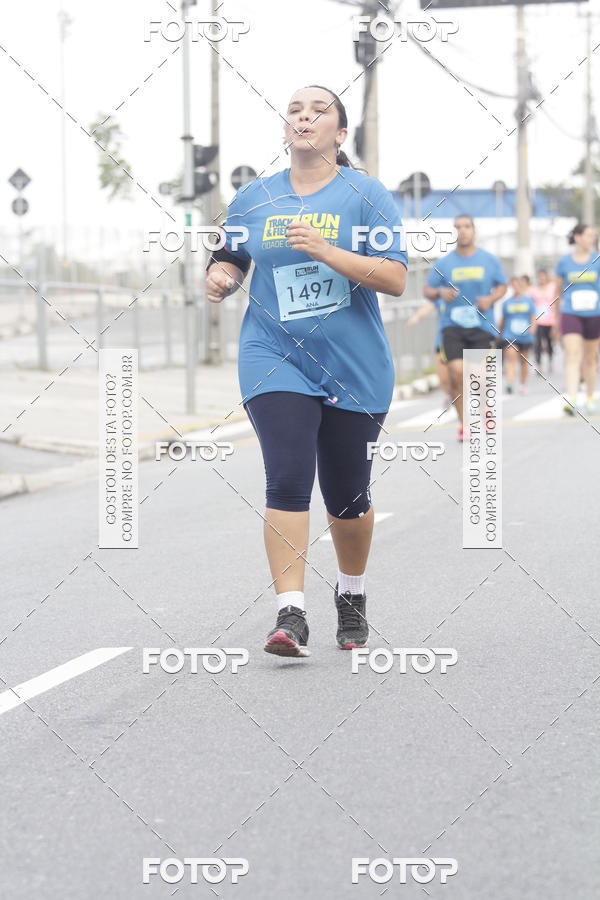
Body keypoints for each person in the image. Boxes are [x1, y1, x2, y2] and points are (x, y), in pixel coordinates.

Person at [205, 85, 407, 657]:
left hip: (353, 366)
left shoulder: (365, 196)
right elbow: (227, 260)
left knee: (347, 497)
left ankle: (351, 592)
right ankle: (290, 614)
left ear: (339, 135)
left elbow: (395, 278)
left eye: (318, 110)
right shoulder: (254, 199)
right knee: (288, 477)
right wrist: (219, 279)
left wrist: (328, 252)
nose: (303, 116)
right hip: (274, 354)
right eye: (294, 109)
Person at [424, 215, 507, 441]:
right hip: (452, 326)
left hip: (481, 325)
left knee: (479, 376)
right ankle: (465, 424)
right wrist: (440, 293)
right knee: (456, 374)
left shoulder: (489, 260)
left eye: (466, 226)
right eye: (457, 227)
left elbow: (502, 286)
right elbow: (427, 291)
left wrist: (491, 299)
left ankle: (483, 411)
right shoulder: (443, 264)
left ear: (474, 230)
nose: (462, 231)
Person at [555, 224, 600, 415]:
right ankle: (571, 398)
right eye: (589, 235)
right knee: (572, 355)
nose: (592, 239)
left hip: (594, 314)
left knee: (590, 358)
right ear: (578, 237)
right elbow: (558, 292)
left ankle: (590, 397)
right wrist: (556, 319)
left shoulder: (597, 260)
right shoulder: (564, 262)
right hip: (570, 313)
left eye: (594, 236)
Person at [407, 299, 452, 404]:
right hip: (443, 341)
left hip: (464, 341)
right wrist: (416, 317)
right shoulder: (444, 293)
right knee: (444, 379)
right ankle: (452, 396)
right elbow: (431, 305)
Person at [500, 275, 536, 395]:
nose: (515, 287)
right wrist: (500, 333)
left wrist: (533, 328)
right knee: (511, 358)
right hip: (510, 334)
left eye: (517, 285)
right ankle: (510, 383)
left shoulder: (528, 300)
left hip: (525, 335)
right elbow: (503, 319)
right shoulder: (507, 303)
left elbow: (533, 316)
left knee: (523, 361)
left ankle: (523, 385)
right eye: (513, 285)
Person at [529, 269, 556, 375]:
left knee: (549, 342)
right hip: (538, 319)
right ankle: (539, 364)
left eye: (543, 276)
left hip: (550, 319)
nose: (542, 279)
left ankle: (550, 361)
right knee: (538, 343)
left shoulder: (552, 287)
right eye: (540, 277)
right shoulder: (533, 289)